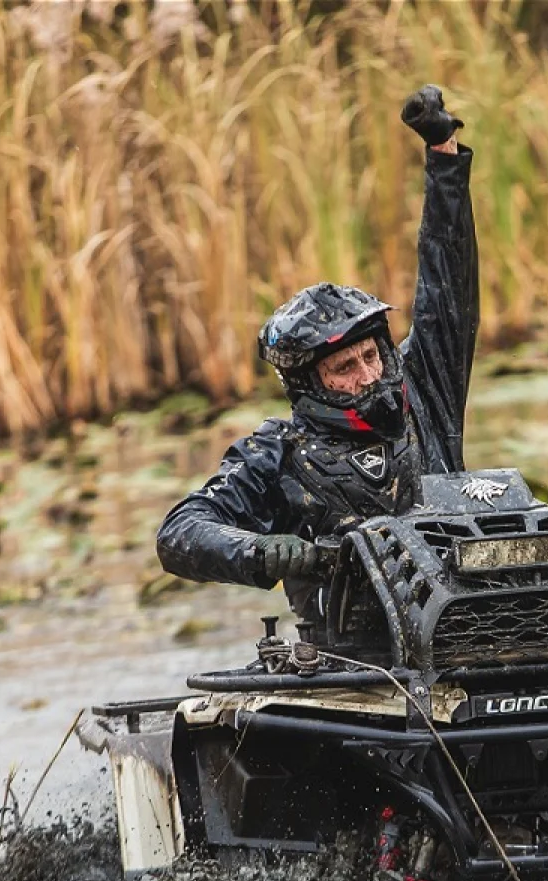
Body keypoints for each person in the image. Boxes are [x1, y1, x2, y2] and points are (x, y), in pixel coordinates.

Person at [156, 85, 477, 629]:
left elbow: (447, 286)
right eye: (345, 369)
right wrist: (263, 552)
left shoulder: (426, 392)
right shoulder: (278, 455)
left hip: (458, 634)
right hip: (350, 662)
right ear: (311, 384)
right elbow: (181, 531)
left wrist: (443, 153)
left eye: (371, 357)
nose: (368, 375)